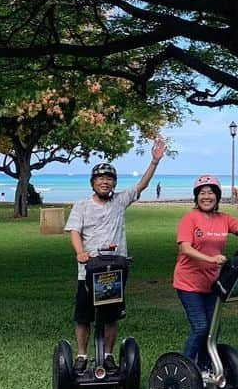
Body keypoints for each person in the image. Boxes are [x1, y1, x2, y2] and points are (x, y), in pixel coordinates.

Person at [65, 135, 166, 374]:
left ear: (113, 183)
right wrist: (80, 252)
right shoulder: (82, 205)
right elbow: (74, 232)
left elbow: (141, 185)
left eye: (109, 178)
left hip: (114, 271)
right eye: (101, 178)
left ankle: (108, 355)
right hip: (88, 271)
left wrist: (154, 161)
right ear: (93, 182)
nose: (105, 182)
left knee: (111, 316)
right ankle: (81, 355)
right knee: (83, 316)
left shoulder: (120, 201)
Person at [174, 176, 238, 375]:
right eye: (202, 193)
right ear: (196, 197)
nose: (206, 197)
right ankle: (185, 368)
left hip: (211, 284)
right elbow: (185, 248)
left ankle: (204, 367)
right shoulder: (190, 218)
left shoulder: (223, 219)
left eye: (210, 193)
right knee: (201, 327)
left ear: (217, 197)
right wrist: (211, 259)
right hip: (188, 283)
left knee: (213, 328)